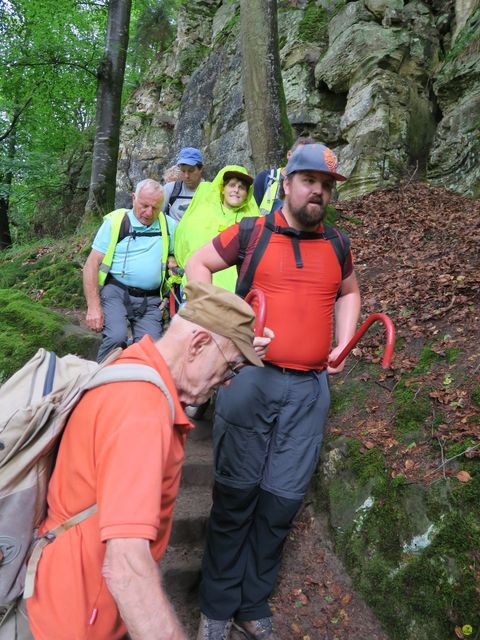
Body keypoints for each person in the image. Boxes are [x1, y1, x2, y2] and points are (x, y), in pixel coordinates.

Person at [23, 281, 269, 640]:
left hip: (70, 596)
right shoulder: (141, 411)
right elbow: (126, 568)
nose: (228, 381)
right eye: (230, 367)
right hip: (76, 620)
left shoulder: (132, 363)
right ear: (198, 344)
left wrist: (236, 346)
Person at [186, 143, 361, 640]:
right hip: (251, 380)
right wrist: (229, 326)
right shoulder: (251, 232)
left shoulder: (339, 243)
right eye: (310, 181)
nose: (318, 192)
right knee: (236, 496)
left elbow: (349, 293)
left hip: (309, 390)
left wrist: (343, 343)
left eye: (326, 186)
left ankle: (252, 602)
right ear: (285, 183)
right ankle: (216, 608)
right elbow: (198, 266)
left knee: (281, 501)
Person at [83, 179, 177, 363]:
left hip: (150, 300)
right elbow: (91, 265)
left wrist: (172, 259)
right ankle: (97, 381)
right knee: (116, 337)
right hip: (115, 291)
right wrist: (93, 307)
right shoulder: (116, 222)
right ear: (134, 198)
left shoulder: (169, 226)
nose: (149, 213)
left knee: (150, 350)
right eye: (144, 205)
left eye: (155, 208)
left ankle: (137, 387)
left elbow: (180, 254)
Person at [174, 165, 260, 293]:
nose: (236, 190)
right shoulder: (203, 213)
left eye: (241, 187)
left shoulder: (253, 220)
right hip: (201, 289)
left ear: (247, 193)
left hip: (238, 295)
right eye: (232, 185)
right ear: (222, 188)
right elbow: (186, 244)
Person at [253, 136, 317, 215]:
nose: (302, 161)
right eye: (299, 156)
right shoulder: (265, 178)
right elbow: (250, 212)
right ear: (289, 154)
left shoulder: (310, 186)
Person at [162, 147, 205, 222]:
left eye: (191, 171)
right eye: (183, 171)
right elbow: (156, 215)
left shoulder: (211, 191)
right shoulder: (170, 189)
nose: (186, 176)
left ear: (200, 169)